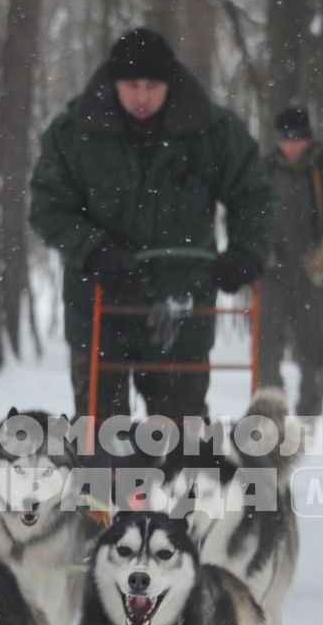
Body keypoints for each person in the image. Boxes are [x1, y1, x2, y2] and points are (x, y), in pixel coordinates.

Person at [30, 27, 273, 427]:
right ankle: (105, 489)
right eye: (132, 85)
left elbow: (255, 194)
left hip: (183, 307)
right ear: (113, 82)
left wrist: (247, 250)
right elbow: (47, 208)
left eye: (153, 85)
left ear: (170, 82)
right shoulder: (74, 133)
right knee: (103, 440)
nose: (142, 97)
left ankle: (177, 488)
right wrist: (93, 249)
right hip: (99, 305)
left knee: (182, 440)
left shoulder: (213, 131)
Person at [260, 104, 323, 418]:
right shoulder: (262, 171)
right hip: (273, 276)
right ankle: (270, 421)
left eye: (297, 139)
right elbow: (243, 215)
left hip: (316, 278)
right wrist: (257, 245)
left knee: (315, 357)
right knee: (266, 355)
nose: (291, 146)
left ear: (308, 138)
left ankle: (307, 423)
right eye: (285, 139)